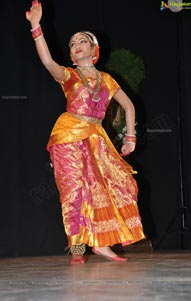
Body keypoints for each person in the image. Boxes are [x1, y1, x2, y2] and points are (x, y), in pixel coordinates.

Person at [26, 0, 146, 264]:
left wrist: (130, 137)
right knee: (74, 192)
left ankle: (102, 243)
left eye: (81, 41)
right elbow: (47, 61)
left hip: (96, 137)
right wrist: (36, 27)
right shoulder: (69, 76)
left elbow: (128, 105)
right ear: (71, 55)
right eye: (72, 44)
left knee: (118, 184)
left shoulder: (108, 80)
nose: (76, 45)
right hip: (67, 136)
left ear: (94, 50)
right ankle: (78, 250)